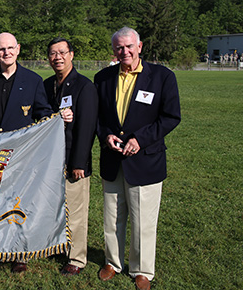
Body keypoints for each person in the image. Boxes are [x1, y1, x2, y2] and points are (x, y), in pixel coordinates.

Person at [0, 32, 72, 273]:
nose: (6, 52)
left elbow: (42, 113)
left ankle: (19, 253)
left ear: (18, 49)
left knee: (18, 203)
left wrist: (58, 117)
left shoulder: (33, 79)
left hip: (21, 154)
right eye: (1, 49)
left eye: (10, 48)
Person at [95, 27, 181, 290]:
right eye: (119, 48)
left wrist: (140, 139)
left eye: (129, 46)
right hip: (112, 159)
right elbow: (97, 117)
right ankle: (112, 262)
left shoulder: (162, 77)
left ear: (140, 46)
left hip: (145, 159)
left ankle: (142, 269)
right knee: (112, 216)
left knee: (143, 219)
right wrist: (106, 135)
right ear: (113, 50)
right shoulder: (103, 77)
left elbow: (170, 117)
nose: (125, 52)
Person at [43, 37, 98, 277]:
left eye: (62, 52)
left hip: (72, 160)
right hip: (49, 160)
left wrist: (79, 163)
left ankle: (76, 258)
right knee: (55, 208)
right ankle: (59, 246)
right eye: (53, 54)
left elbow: (87, 127)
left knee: (75, 211)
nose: (58, 57)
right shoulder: (47, 85)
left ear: (72, 55)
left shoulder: (84, 86)